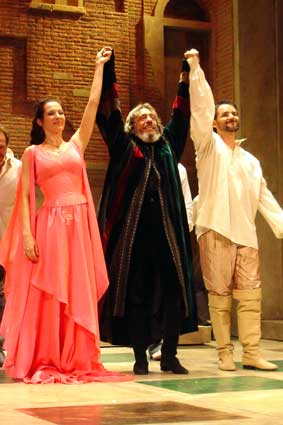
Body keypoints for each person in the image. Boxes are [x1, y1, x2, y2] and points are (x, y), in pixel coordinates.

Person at [0, 47, 130, 384]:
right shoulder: (31, 153)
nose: (58, 116)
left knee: (76, 288)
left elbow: (91, 105)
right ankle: (48, 355)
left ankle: (76, 355)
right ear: (40, 121)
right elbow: (26, 197)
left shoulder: (76, 145)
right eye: (51, 113)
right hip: (50, 225)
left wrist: (100, 67)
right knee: (51, 291)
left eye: (60, 112)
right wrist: (27, 235)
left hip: (79, 227)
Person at [96, 51, 198, 375]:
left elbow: (181, 115)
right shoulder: (125, 146)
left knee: (172, 293)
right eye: (142, 118)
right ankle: (140, 357)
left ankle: (169, 354)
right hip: (134, 241)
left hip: (168, 237)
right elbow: (109, 112)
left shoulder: (168, 145)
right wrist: (108, 68)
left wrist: (185, 73)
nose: (149, 121)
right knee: (136, 295)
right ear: (132, 125)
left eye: (152, 117)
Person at [187, 48, 283, 371]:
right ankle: (225, 352)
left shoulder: (251, 161)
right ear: (214, 123)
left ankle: (252, 352)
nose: (231, 118)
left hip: (246, 235)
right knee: (219, 296)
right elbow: (199, 110)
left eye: (234, 114)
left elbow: (264, 198)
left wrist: (280, 224)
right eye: (224, 114)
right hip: (214, 229)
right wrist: (196, 70)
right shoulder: (207, 148)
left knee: (251, 295)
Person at [148, 162, 193, 361]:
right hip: (146, 237)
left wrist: (184, 230)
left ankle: (168, 345)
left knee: (170, 293)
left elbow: (187, 202)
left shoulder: (178, 168)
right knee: (150, 291)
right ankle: (153, 341)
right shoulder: (137, 160)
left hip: (172, 237)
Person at [0, 126, 21, 367]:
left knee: (6, 298)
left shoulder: (18, 169)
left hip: (10, 242)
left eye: (1, 145)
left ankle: (4, 345)